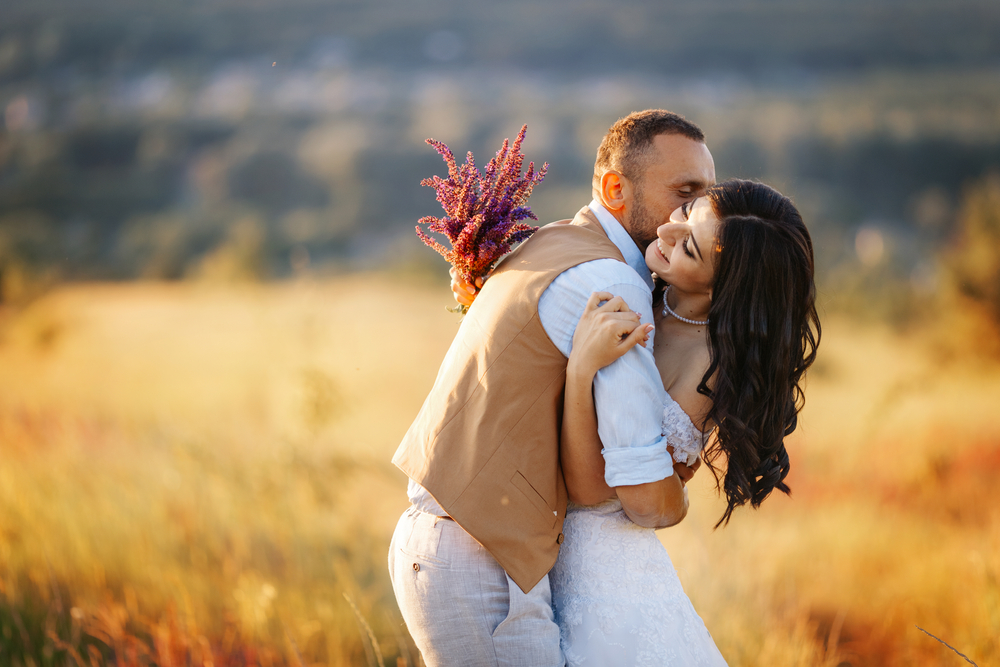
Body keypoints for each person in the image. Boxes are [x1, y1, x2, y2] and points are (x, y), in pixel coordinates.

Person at [389, 109, 715, 666]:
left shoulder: (552, 241)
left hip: (457, 543)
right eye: (683, 195)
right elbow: (632, 488)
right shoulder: (612, 282)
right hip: (483, 559)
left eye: (701, 200)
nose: (687, 217)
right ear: (616, 188)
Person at [548, 178, 821, 665]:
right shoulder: (641, 283)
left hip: (601, 563)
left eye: (689, 247)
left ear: (723, 286)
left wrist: (581, 370)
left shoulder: (707, 367)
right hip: (547, 537)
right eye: (685, 212)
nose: (667, 233)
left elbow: (602, 492)